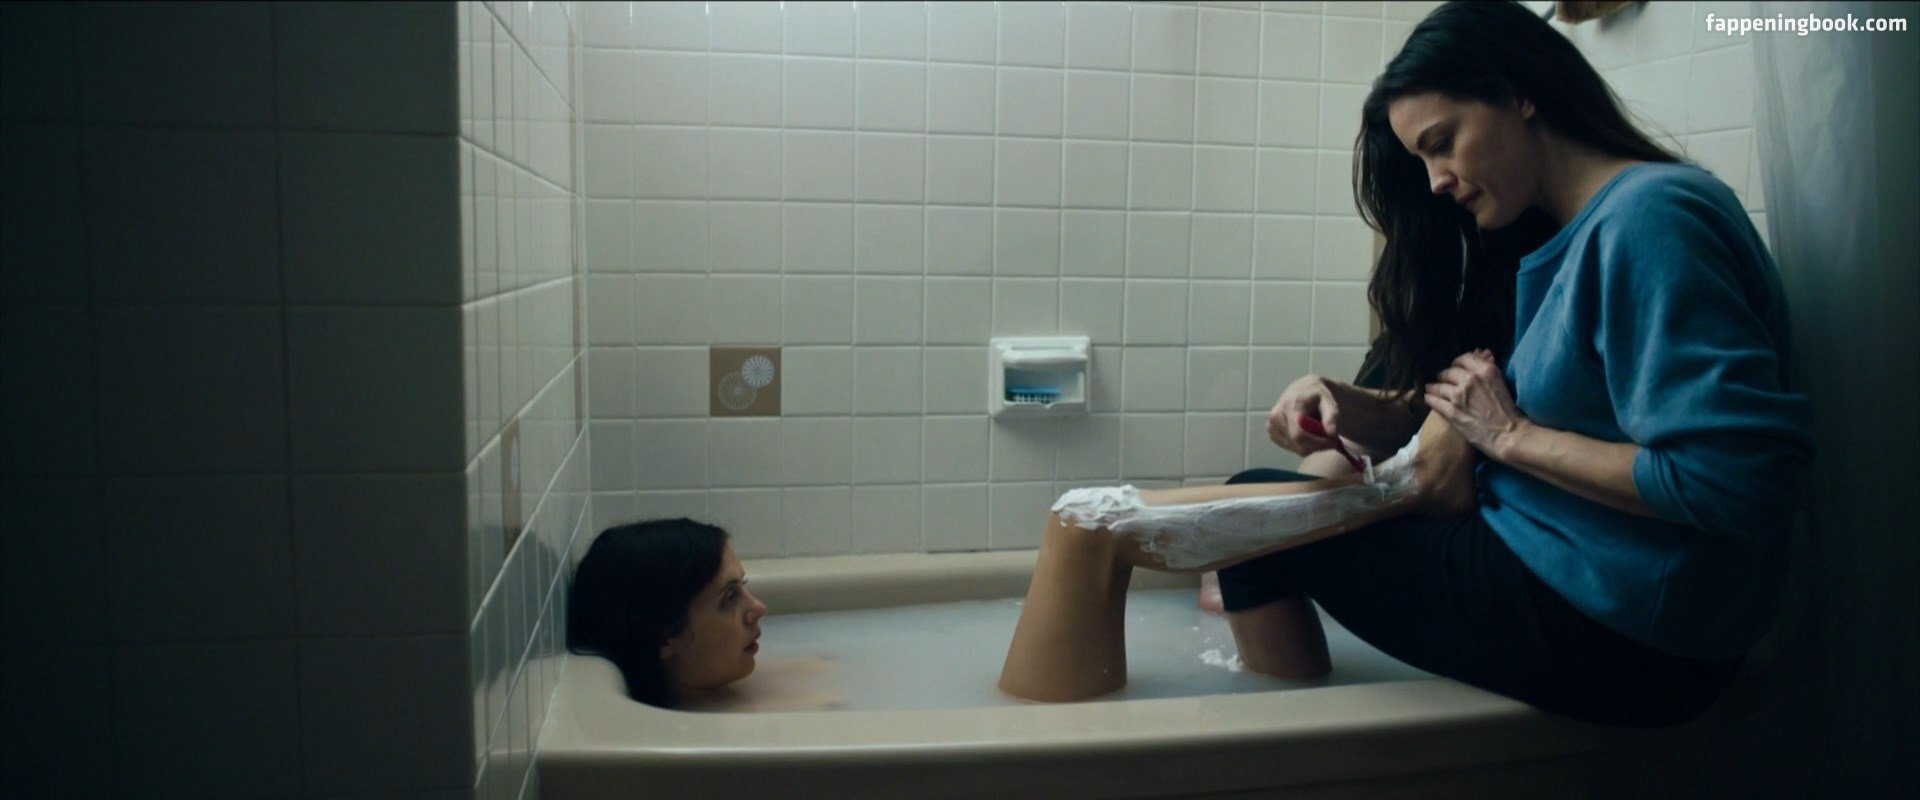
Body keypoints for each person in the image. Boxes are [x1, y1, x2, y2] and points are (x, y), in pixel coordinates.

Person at [1000, 0, 1813, 729]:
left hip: (1627, 632)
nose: (1437, 180)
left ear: (1520, 93)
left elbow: (1735, 481)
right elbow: (1493, 419)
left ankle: (1282, 766)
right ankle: (1294, 743)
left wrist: (1513, 439)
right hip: (1585, 584)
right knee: (1242, 520)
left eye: (1442, 144)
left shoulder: (1649, 220)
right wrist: (1351, 403)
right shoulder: (1579, 235)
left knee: (1150, 529)